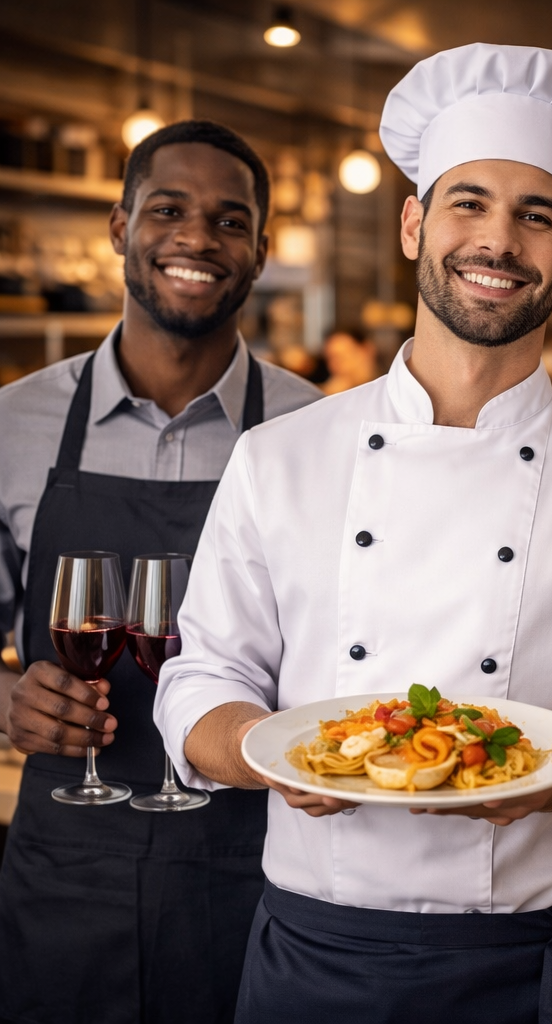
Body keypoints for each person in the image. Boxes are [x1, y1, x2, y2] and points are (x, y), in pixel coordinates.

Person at [155, 43, 552, 1023]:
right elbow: (198, 681)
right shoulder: (280, 457)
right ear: (414, 223)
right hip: (310, 950)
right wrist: (268, 750)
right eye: (468, 203)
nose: (497, 241)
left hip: (527, 957)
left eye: (536, 214)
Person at [0, 119, 321, 1024]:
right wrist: (8, 704)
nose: (197, 238)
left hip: (253, 863)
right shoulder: (12, 424)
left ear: (258, 252)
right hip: (67, 867)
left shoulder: (318, 436)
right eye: (168, 209)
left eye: (229, 221)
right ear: (119, 226)